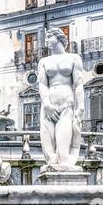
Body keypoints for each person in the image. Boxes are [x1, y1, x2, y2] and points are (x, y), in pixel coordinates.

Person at [38, 28, 84, 170]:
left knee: (63, 154)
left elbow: (78, 84)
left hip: (66, 105)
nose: (46, 40)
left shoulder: (74, 58)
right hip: (48, 106)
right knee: (49, 152)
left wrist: (80, 106)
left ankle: (65, 171)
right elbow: (42, 84)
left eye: (49, 36)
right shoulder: (44, 61)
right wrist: (46, 104)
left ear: (58, 37)